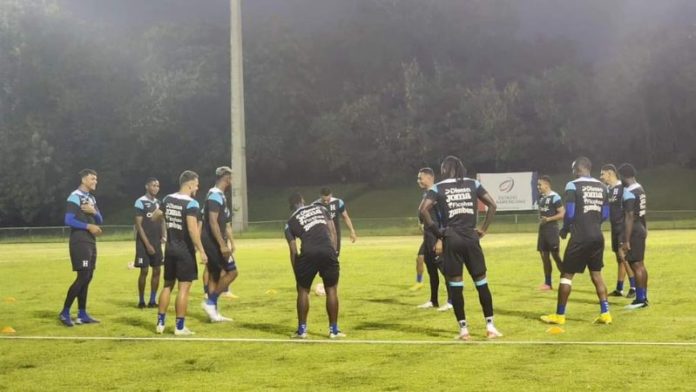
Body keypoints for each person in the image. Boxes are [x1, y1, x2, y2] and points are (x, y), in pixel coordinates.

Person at [419, 156, 502, 340]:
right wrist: (483, 229)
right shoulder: (473, 184)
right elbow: (493, 205)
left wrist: (439, 233)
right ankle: (490, 327)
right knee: (481, 282)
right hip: (471, 236)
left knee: (456, 285)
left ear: (444, 170)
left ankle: (464, 331)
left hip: (452, 238)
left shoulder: (437, 188)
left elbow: (423, 210)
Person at [541, 157, 612, 325]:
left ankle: (559, 315)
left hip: (580, 237)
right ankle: (606, 313)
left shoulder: (572, 185)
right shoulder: (603, 187)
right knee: (597, 275)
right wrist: (594, 224)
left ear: (577, 169)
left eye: (573, 169)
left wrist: (565, 229)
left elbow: (570, 213)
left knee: (566, 276)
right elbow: (606, 214)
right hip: (597, 236)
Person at [155, 170, 207, 335]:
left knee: (167, 285)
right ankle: (179, 327)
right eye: (196, 185)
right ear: (190, 184)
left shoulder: (168, 199)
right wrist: (202, 251)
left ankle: (160, 324)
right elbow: (192, 230)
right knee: (184, 288)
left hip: (169, 249)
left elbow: (156, 215)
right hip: (184, 251)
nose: (197, 188)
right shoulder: (191, 204)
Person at [285, 192, 344, 339]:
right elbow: (332, 231)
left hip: (308, 253)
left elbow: (293, 250)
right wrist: (334, 251)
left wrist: (297, 273)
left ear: (291, 207)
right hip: (327, 250)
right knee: (331, 290)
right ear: (303, 200)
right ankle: (333, 330)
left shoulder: (290, 222)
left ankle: (302, 330)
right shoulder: (320, 209)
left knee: (303, 290)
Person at [59, 169, 103, 327]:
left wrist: (94, 212)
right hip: (79, 241)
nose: (95, 181)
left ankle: (82, 314)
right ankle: (64, 312)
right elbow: (68, 220)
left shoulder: (91, 198)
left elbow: (100, 219)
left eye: (96, 179)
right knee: (83, 276)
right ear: (84, 180)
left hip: (90, 241)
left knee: (88, 276)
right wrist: (88, 226)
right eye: (92, 178)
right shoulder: (75, 196)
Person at [200, 167, 238, 322]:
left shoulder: (218, 195)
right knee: (232, 272)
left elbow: (224, 223)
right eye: (231, 177)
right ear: (226, 177)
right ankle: (210, 303)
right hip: (212, 241)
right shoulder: (215, 195)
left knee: (215, 276)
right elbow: (213, 221)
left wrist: (230, 241)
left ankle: (213, 314)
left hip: (213, 240)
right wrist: (222, 244)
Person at [415, 168, 451, 311]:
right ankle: (433, 300)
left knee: (445, 270)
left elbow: (443, 218)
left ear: (429, 177)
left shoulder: (437, 194)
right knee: (431, 270)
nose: (418, 181)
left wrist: (440, 238)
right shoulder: (427, 194)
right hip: (428, 236)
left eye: (420, 178)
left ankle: (451, 301)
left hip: (437, 236)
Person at [599, 164, 636, 298]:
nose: (601, 176)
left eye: (602, 173)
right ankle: (619, 289)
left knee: (623, 256)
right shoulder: (608, 190)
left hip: (623, 227)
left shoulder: (623, 188)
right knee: (619, 259)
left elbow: (631, 209)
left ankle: (634, 287)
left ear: (610, 173)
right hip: (614, 227)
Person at [312, 188, 357, 296]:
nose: (326, 202)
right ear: (320, 196)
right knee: (323, 259)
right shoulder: (315, 205)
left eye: (328, 200)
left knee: (334, 259)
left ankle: (330, 284)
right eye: (324, 200)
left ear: (331, 195)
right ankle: (326, 283)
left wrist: (352, 231)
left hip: (335, 236)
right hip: (321, 236)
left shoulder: (338, 202)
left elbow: (345, 217)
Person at [618, 163, 649, 309]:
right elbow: (642, 212)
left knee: (635, 265)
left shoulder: (629, 191)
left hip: (634, 230)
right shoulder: (640, 188)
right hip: (641, 227)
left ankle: (640, 300)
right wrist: (645, 228)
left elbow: (629, 216)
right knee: (640, 265)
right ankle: (643, 297)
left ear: (623, 176)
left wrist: (626, 240)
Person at [133, 177, 166, 308]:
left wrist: (164, 235)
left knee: (157, 270)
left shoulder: (159, 203)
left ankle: (153, 300)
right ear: (147, 186)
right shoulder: (140, 202)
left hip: (156, 242)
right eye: (153, 185)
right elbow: (138, 225)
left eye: (157, 186)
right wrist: (147, 245)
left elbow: (162, 220)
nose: (156, 188)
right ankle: (141, 300)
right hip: (143, 243)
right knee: (144, 271)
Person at [536, 175, 565, 290]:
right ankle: (548, 283)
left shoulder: (555, 197)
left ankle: (565, 279)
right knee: (544, 256)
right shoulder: (542, 198)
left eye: (540, 184)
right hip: (542, 230)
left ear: (546, 185)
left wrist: (548, 219)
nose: (538, 187)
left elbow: (562, 214)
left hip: (552, 230)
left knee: (555, 255)